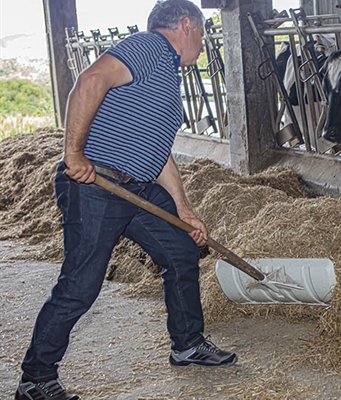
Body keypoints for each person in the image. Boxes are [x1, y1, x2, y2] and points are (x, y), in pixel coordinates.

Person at [16, 1, 236, 399]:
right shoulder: (151, 47)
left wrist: (185, 211)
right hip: (97, 183)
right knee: (81, 283)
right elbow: (90, 80)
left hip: (136, 187)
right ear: (185, 26)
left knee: (181, 252)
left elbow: (159, 152)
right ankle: (36, 378)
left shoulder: (167, 73)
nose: (202, 46)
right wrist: (74, 154)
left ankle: (187, 344)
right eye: (203, 35)